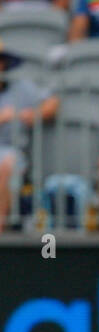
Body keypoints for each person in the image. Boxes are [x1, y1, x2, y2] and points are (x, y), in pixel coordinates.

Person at [0, 44, 59, 231]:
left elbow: (52, 104)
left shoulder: (21, 87)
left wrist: (27, 114)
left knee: (7, 163)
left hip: (11, 152)